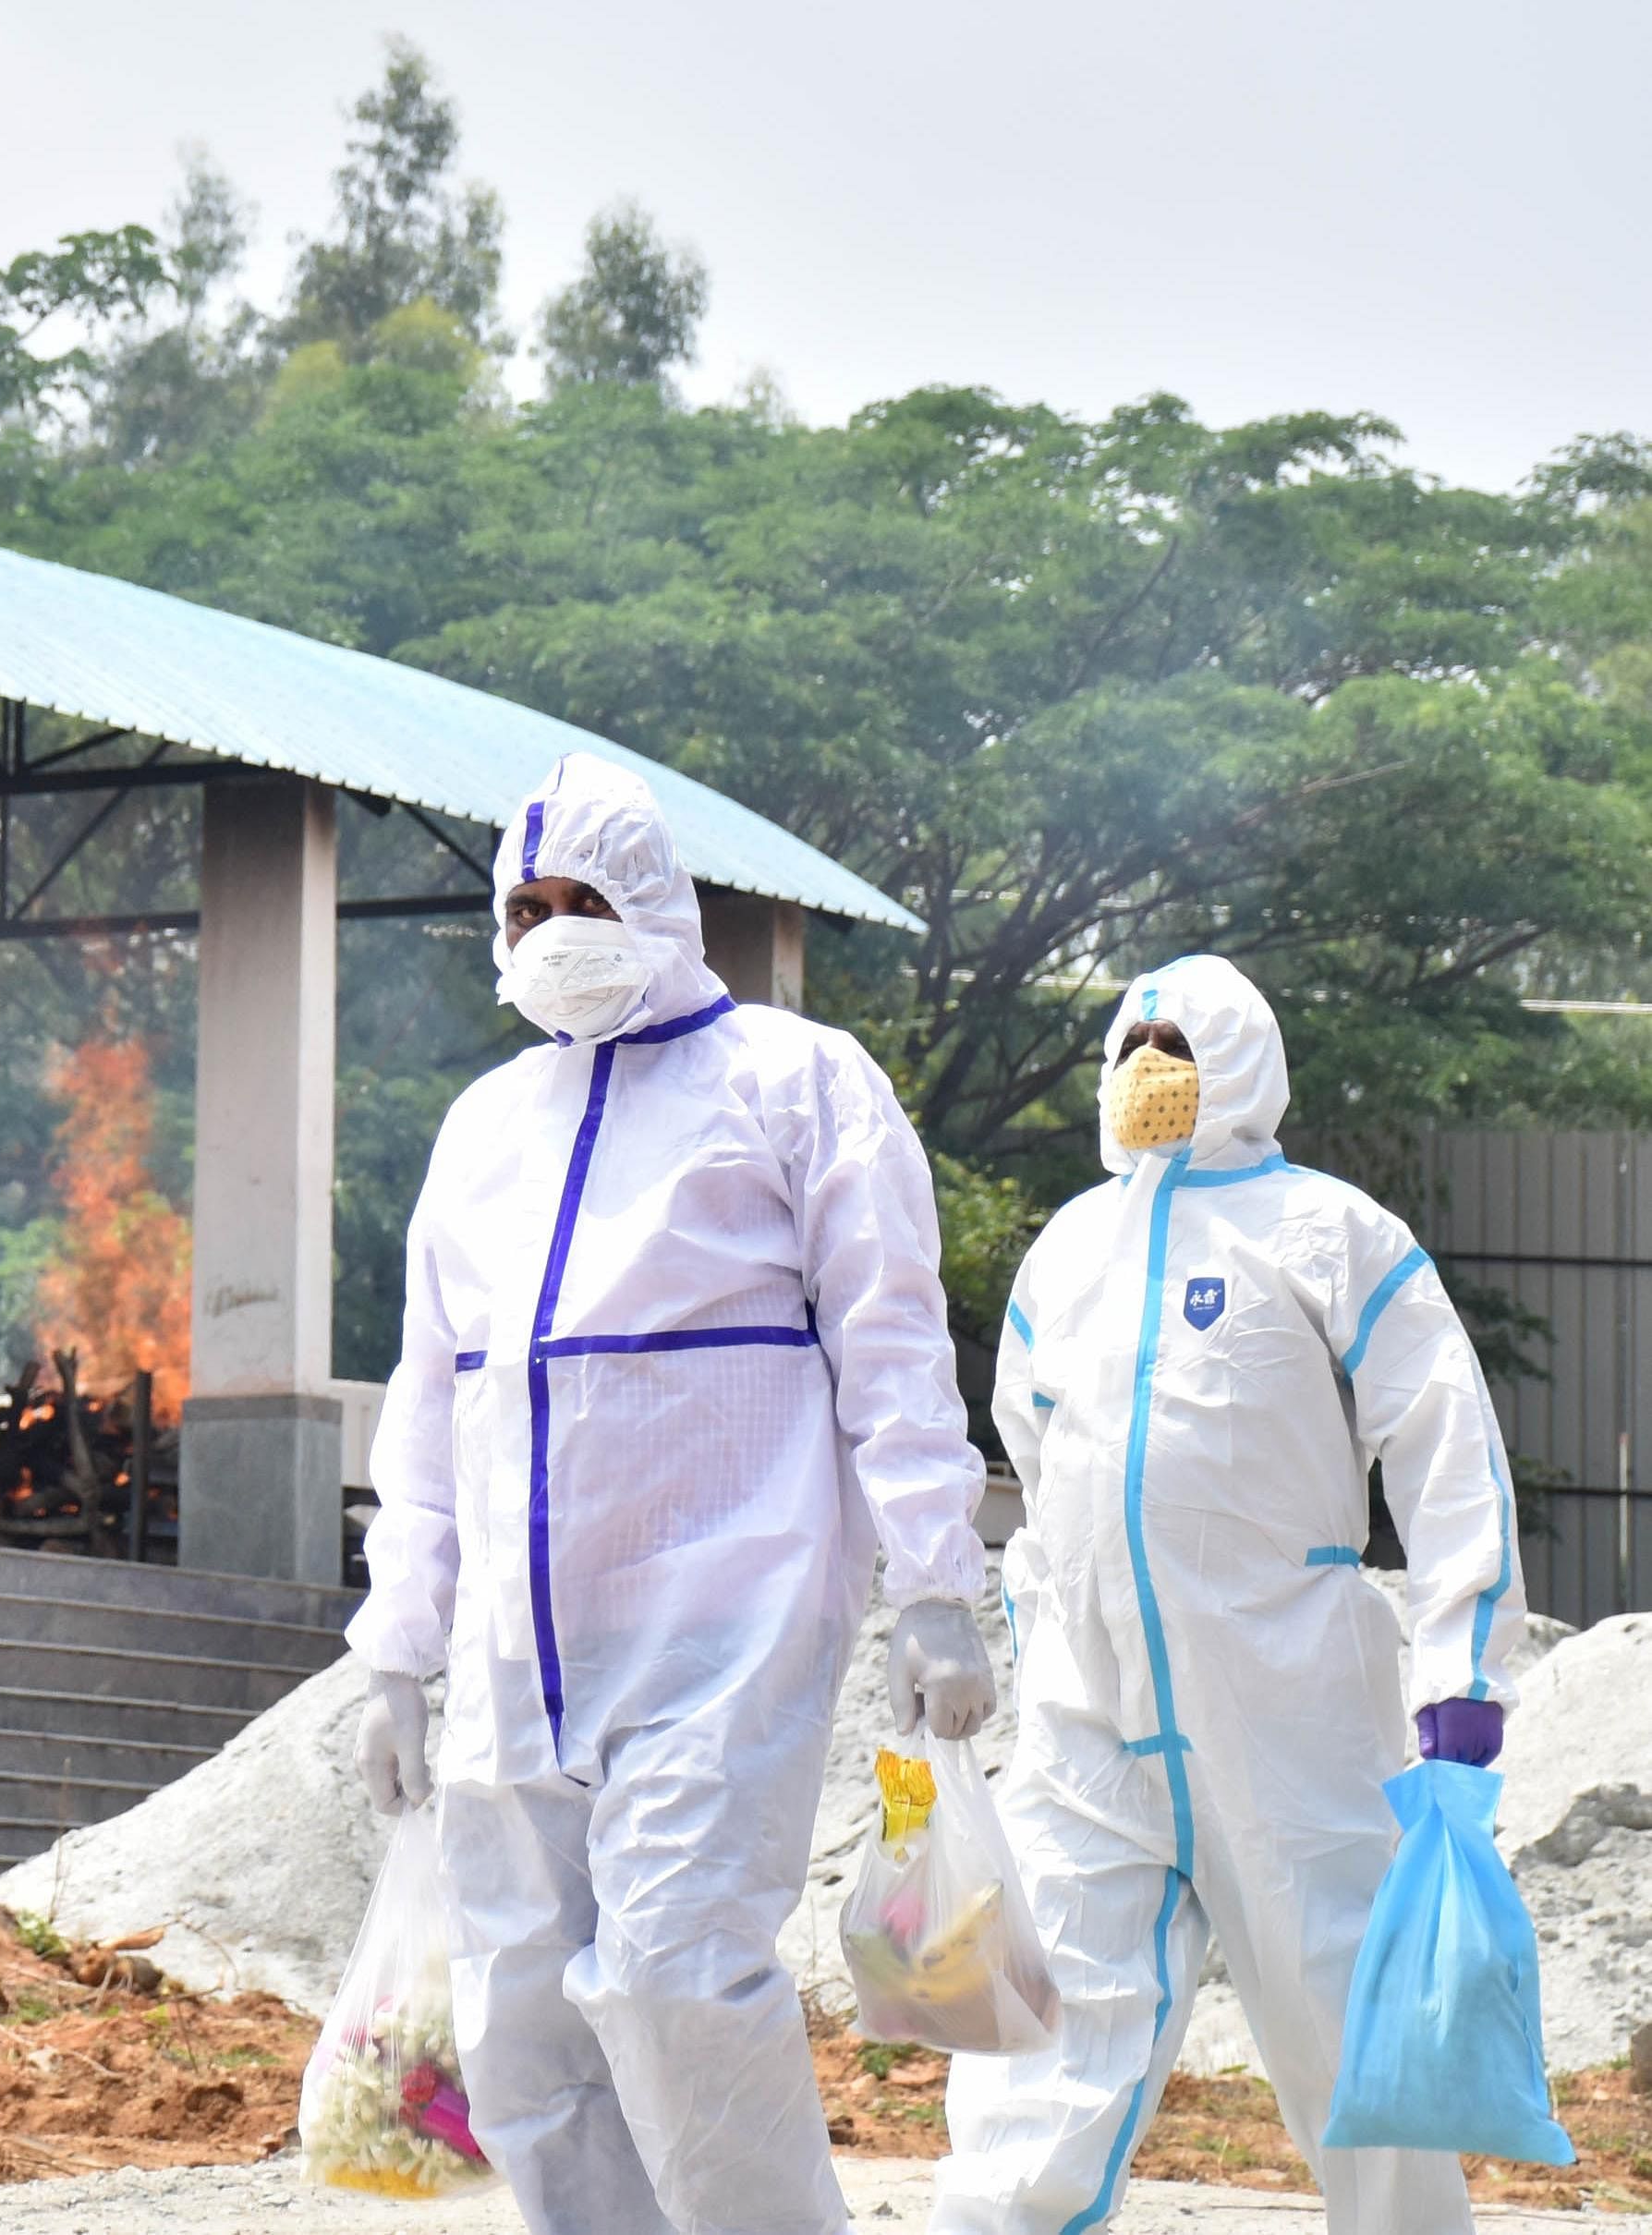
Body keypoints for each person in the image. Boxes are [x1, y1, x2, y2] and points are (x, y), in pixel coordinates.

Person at [348, 752, 994, 2235]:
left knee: (674, 1977)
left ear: (660, 904)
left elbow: (892, 1338)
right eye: (527, 907)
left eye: (587, 900)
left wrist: (937, 1582)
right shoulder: (485, 1127)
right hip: (521, 1658)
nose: (556, 930)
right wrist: (399, 1648)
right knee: (524, 2033)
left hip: (725, 1621)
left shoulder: (794, 1079)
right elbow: (432, 1403)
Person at [935, 954, 1521, 2234]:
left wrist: (1460, 1670)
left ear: (1242, 1059)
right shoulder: (1070, 1248)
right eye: (1132, 1044)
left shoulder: (1335, 1232)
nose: (1151, 1069)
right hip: (1091, 1727)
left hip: (1290, 1715)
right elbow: (1034, 1456)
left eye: (1179, 1046)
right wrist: (1041, 1633)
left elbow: (1445, 1447)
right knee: (1038, 2057)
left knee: (1350, 2048)